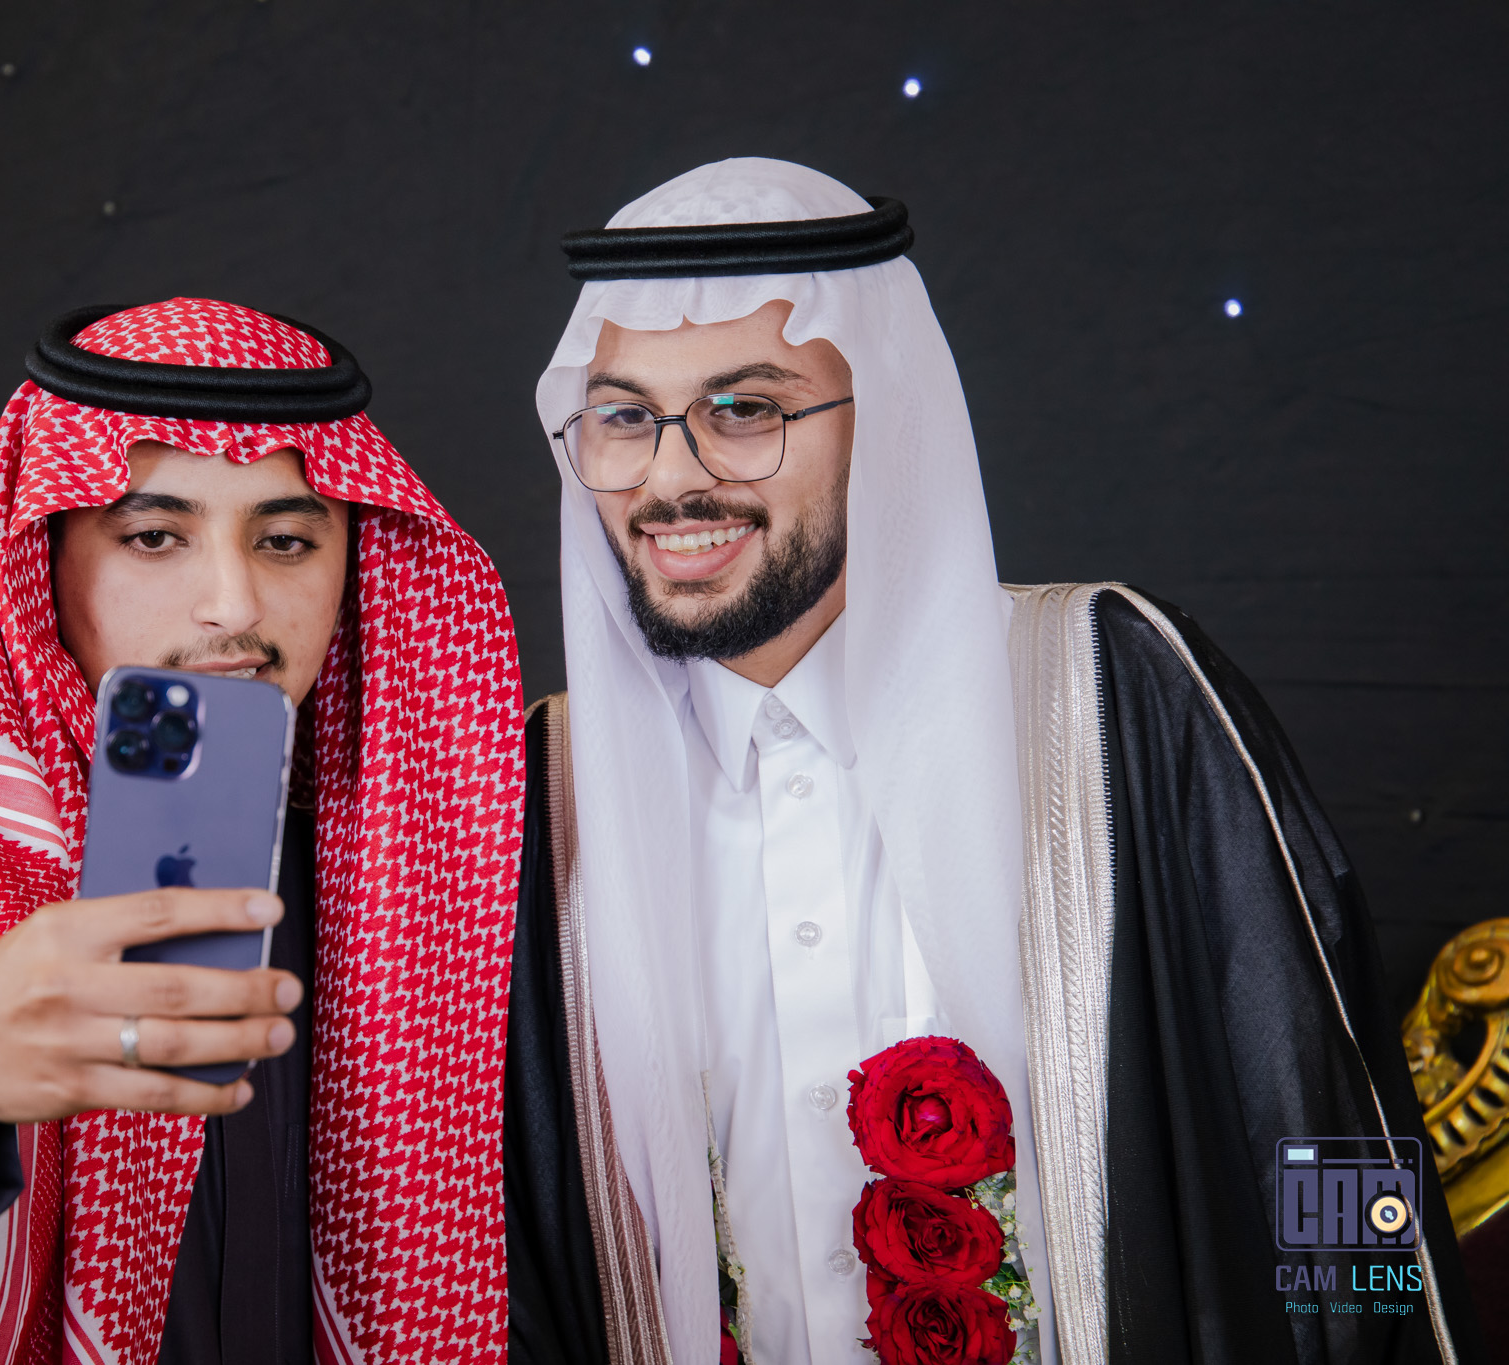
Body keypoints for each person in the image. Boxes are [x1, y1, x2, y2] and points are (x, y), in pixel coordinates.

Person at [499, 159, 1482, 1365]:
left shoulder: (1111, 693)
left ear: (886, 417)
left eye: (744, 409)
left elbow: (1321, 1124)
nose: (668, 478)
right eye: (622, 417)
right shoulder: (537, 801)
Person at [0, 298, 526, 1365]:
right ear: (45, 560)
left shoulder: (416, 866)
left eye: (284, 541)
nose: (233, 604)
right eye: (154, 537)